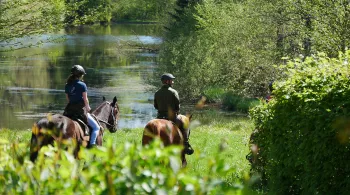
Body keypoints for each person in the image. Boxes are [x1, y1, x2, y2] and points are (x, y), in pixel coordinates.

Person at [154, 73, 194, 155]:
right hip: (171, 117)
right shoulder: (173, 92)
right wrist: (176, 110)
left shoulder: (157, 93)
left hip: (159, 117)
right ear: (167, 81)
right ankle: (186, 144)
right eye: (172, 80)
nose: (173, 82)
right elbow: (177, 106)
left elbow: (156, 106)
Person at [63, 65, 100, 148]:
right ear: (80, 75)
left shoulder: (67, 85)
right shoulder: (82, 85)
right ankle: (92, 144)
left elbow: (68, 100)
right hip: (80, 110)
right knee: (96, 127)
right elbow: (85, 99)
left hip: (69, 110)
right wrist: (88, 107)